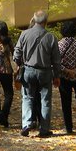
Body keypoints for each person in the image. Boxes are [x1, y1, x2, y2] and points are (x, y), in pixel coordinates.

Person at [13, 9, 61, 138]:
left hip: (28, 70)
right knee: (45, 100)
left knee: (27, 97)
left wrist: (19, 64)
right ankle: (44, 128)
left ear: (34, 19)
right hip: (45, 72)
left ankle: (27, 124)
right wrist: (57, 76)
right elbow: (56, 60)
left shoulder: (24, 34)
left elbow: (16, 53)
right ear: (46, 21)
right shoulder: (51, 37)